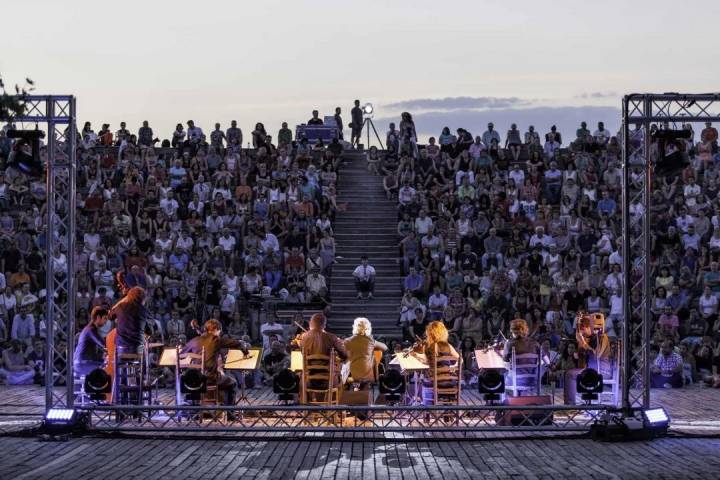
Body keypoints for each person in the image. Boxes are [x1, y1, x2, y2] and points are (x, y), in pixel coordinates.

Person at [180, 319, 250, 405]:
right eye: (219, 331)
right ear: (216, 329)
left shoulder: (195, 340)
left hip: (193, 379)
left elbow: (181, 355)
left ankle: (197, 408)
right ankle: (229, 413)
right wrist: (245, 352)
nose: (220, 333)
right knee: (233, 383)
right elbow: (238, 344)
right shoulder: (215, 339)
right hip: (210, 378)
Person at [421, 321, 460, 405]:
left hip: (432, 382)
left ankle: (427, 408)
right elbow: (461, 359)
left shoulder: (426, 346)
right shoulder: (448, 345)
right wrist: (453, 367)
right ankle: (448, 409)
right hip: (447, 381)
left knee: (424, 380)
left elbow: (425, 363)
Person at [343, 317, 387, 387]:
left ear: (355, 327)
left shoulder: (347, 341)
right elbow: (385, 348)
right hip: (368, 376)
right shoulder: (370, 341)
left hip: (353, 376)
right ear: (368, 328)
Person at [109, 286, 149, 354]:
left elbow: (110, 316)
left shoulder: (120, 307)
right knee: (146, 353)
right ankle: (143, 364)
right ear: (143, 298)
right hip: (137, 350)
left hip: (121, 349)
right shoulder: (143, 310)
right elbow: (149, 331)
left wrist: (124, 299)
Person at [73, 307, 109, 378]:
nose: (106, 322)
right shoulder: (91, 329)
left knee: (106, 361)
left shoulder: (89, 329)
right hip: (83, 363)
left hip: (83, 362)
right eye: (105, 318)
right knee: (109, 367)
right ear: (98, 317)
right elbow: (104, 344)